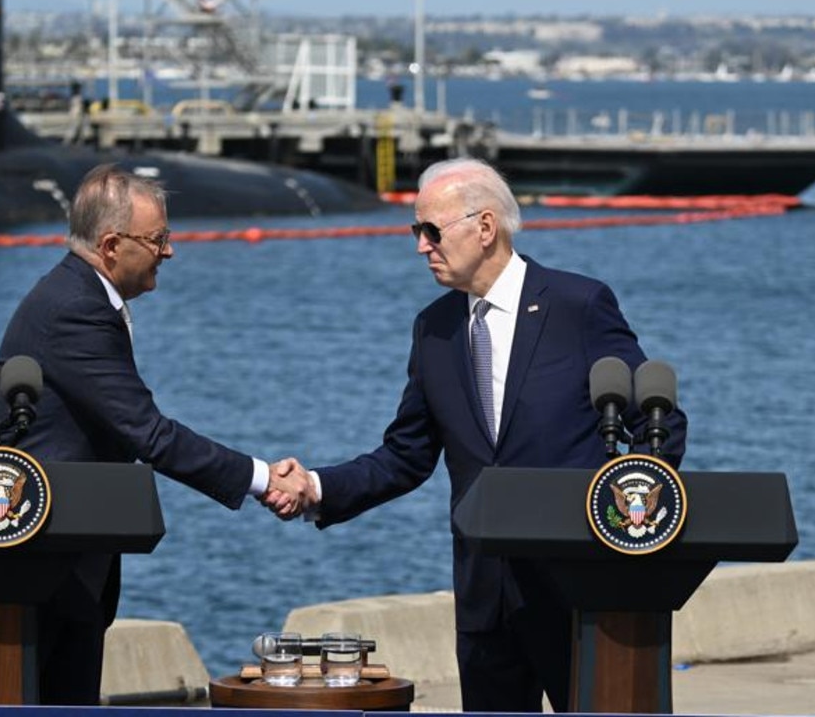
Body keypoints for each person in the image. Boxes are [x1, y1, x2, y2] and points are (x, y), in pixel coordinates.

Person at [265, 157, 687, 713]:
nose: (421, 246)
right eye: (416, 231)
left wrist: (627, 530)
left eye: (431, 230)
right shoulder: (434, 328)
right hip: (486, 601)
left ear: (485, 227)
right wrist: (317, 488)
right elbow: (406, 455)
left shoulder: (577, 306)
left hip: (582, 596)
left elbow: (658, 427)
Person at [0, 164, 313, 705]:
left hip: (66, 558)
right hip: (46, 563)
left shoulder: (79, 295)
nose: (169, 252)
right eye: (159, 239)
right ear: (113, 245)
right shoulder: (76, 309)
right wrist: (263, 479)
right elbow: (149, 434)